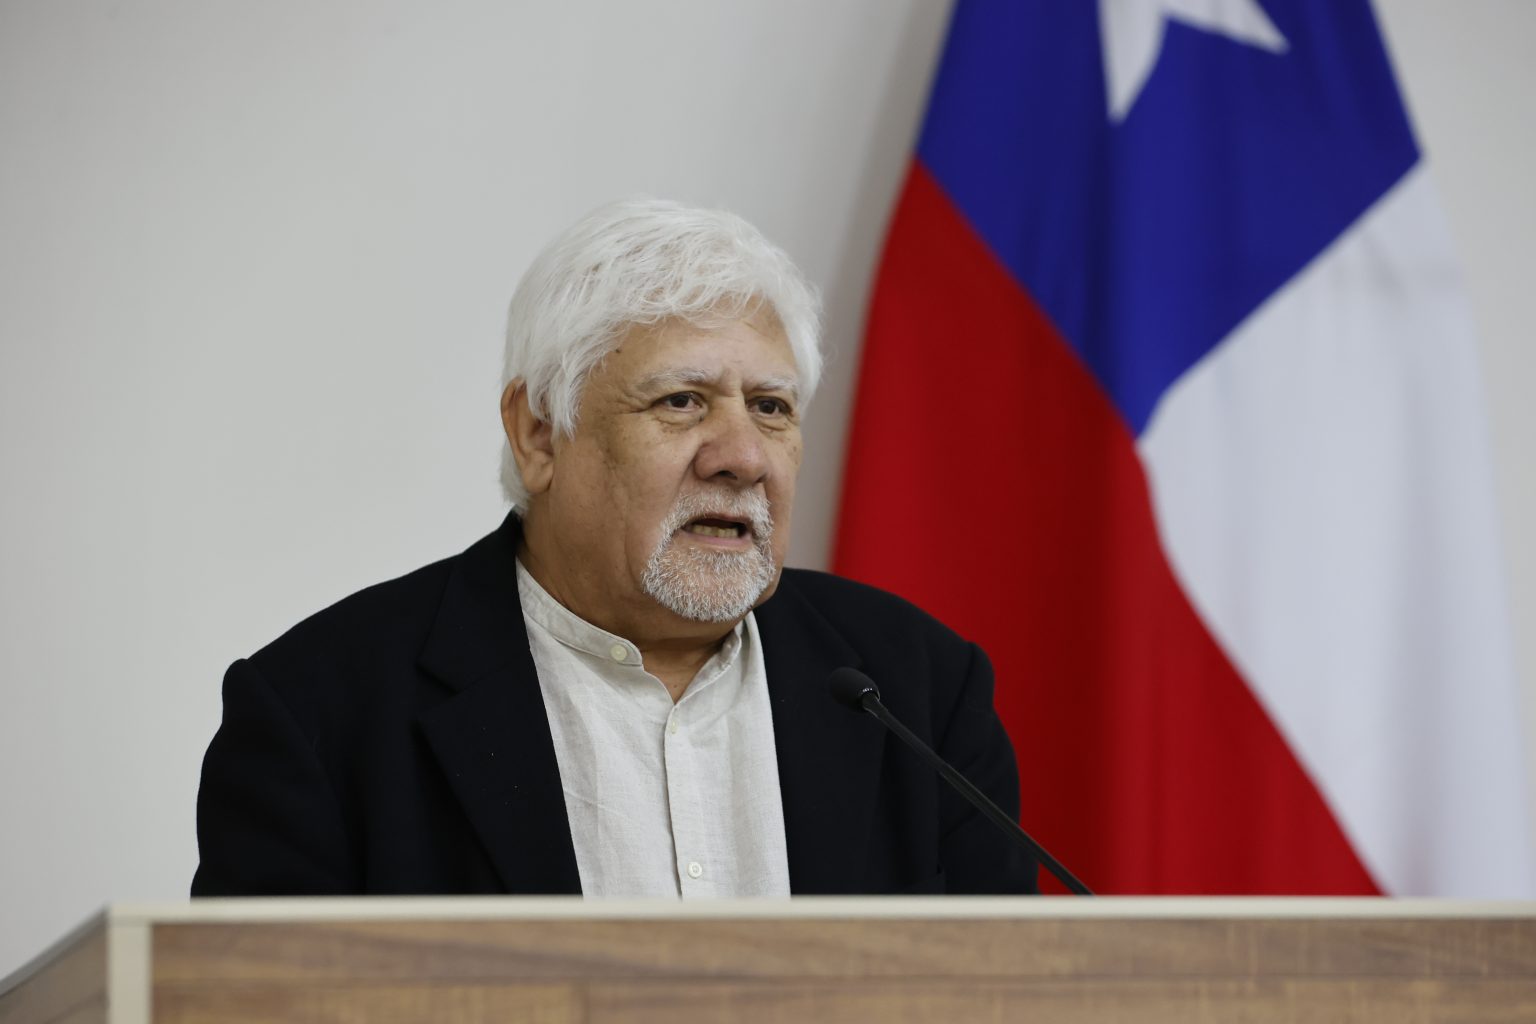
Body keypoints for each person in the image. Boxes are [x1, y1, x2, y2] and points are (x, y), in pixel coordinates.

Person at [192, 198, 1038, 897]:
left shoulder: (920, 691)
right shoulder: (319, 713)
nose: (743, 457)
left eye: (771, 408)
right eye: (681, 401)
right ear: (539, 434)